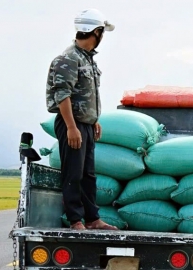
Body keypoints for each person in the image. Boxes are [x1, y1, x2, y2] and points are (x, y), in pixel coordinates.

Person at [45, 9, 117, 230]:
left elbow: (86, 94)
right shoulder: (68, 59)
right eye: (102, 32)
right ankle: (76, 219)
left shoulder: (87, 60)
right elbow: (62, 95)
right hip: (71, 124)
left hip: (84, 124)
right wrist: (71, 127)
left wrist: (92, 119)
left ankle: (92, 218)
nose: (102, 37)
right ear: (96, 32)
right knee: (73, 173)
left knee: (88, 175)